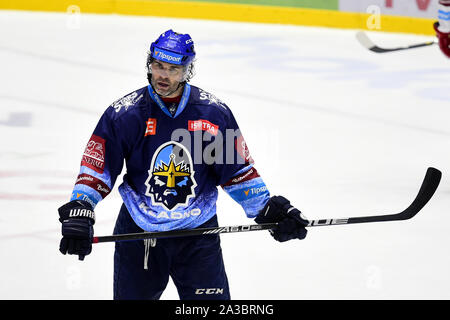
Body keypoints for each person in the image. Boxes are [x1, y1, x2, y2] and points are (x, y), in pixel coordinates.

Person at [57, 29, 308, 300]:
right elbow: (98, 166)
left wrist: (268, 209)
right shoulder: (125, 114)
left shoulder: (212, 114)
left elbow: (236, 171)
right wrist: (81, 207)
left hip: (198, 235)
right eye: (158, 65)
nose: (163, 75)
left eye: (173, 69)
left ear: (188, 70)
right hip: (139, 233)